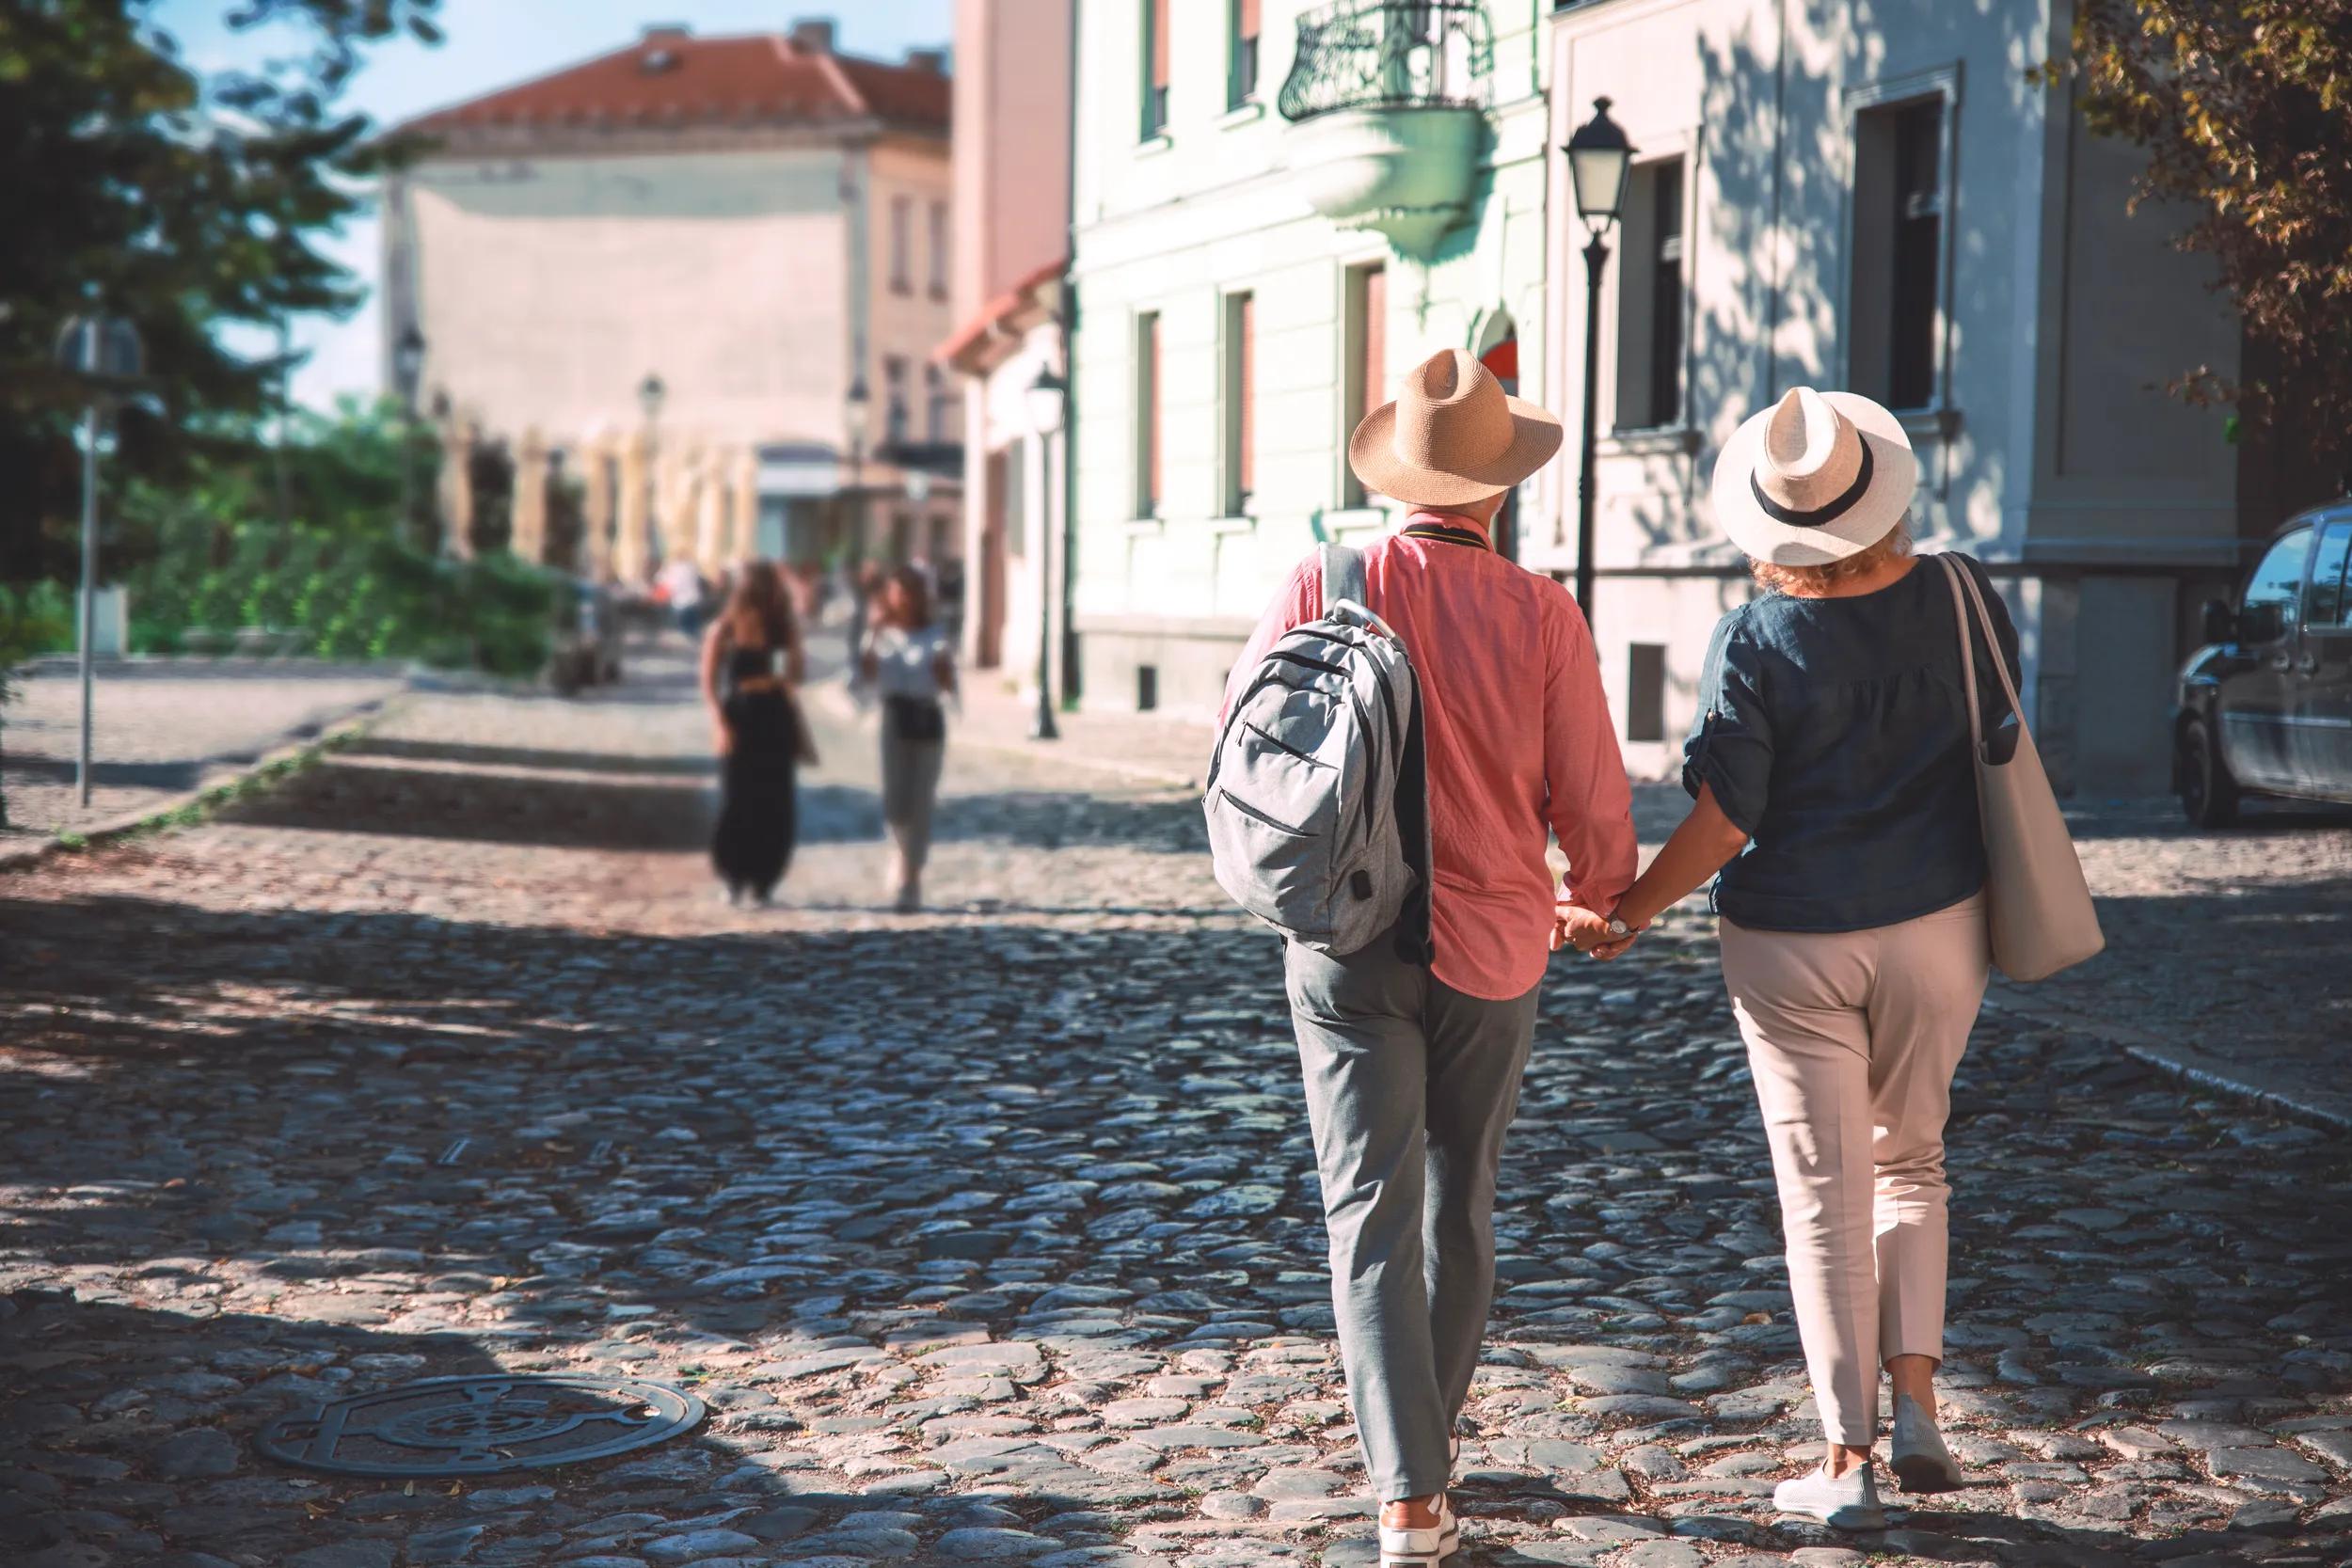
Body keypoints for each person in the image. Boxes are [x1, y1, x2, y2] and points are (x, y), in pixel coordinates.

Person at [1562, 387, 2020, 1530]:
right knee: (1913, 1158)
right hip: (1938, 921)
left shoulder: (1753, 638)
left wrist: (1628, 911)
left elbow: (1727, 817)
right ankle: (1916, 1405)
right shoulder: (1964, 598)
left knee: (1823, 1192)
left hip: (1789, 939)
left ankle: (1844, 1456)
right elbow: (2003, 742)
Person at [1224, 348, 1637, 1567]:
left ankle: (1407, 1494)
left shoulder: (1323, 577)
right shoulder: (1543, 612)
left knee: (1367, 1210)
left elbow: (1246, 736)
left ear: (1402, 474)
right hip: (1496, 949)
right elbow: (1594, 798)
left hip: (1346, 940)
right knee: (1461, 1195)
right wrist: (1601, 895)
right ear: (1498, 490)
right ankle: (1427, 1451)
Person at [700, 560, 807, 906]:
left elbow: (797, 674)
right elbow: (708, 681)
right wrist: (719, 722)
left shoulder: (783, 628)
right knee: (737, 799)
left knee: (775, 800)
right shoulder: (724, 630)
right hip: (740, 716)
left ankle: (764, 879)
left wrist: (791, 654)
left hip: (774, 715)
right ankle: (733, 875)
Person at [861, 565, 956, 912]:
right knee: (895, 801)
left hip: (927, 716)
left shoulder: (935, 632)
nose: (903, 599)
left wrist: (942, 669)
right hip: (893, 718)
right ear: (889, 596)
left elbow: (947, 681)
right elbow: (866, 674)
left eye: (909, 591)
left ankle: (910, 875)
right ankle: (900, 854)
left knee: (921, 799)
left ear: (919, 596)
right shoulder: (880, 632)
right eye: (897, 591)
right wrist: (873, 630)